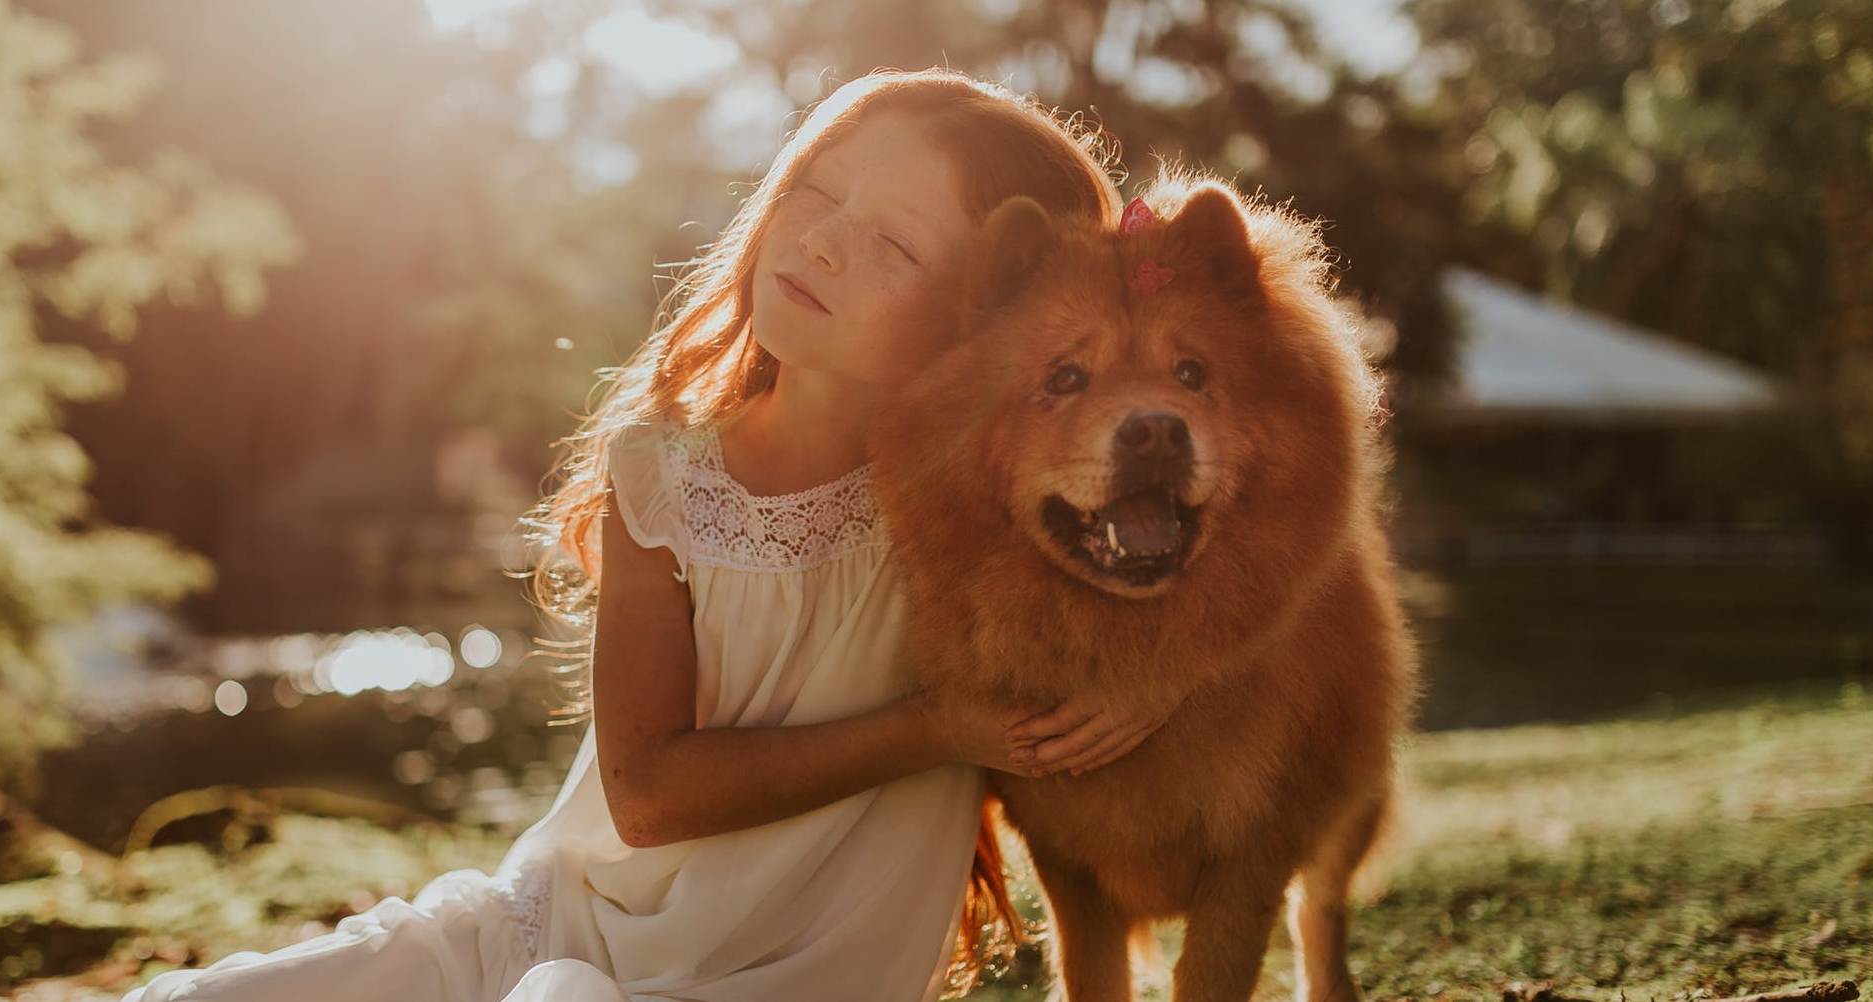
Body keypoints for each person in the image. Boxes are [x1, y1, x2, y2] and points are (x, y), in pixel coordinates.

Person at [120, 66, 1173, 1002]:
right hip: (565, 920)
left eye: (892, 241)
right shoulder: (663, 471)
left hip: (803, 969)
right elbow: (649, 795)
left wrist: (1153, 686)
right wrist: (937, 729)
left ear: (984, 313)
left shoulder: (998, 504)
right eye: (817, 189)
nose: (820, 242)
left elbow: (1223, 605)